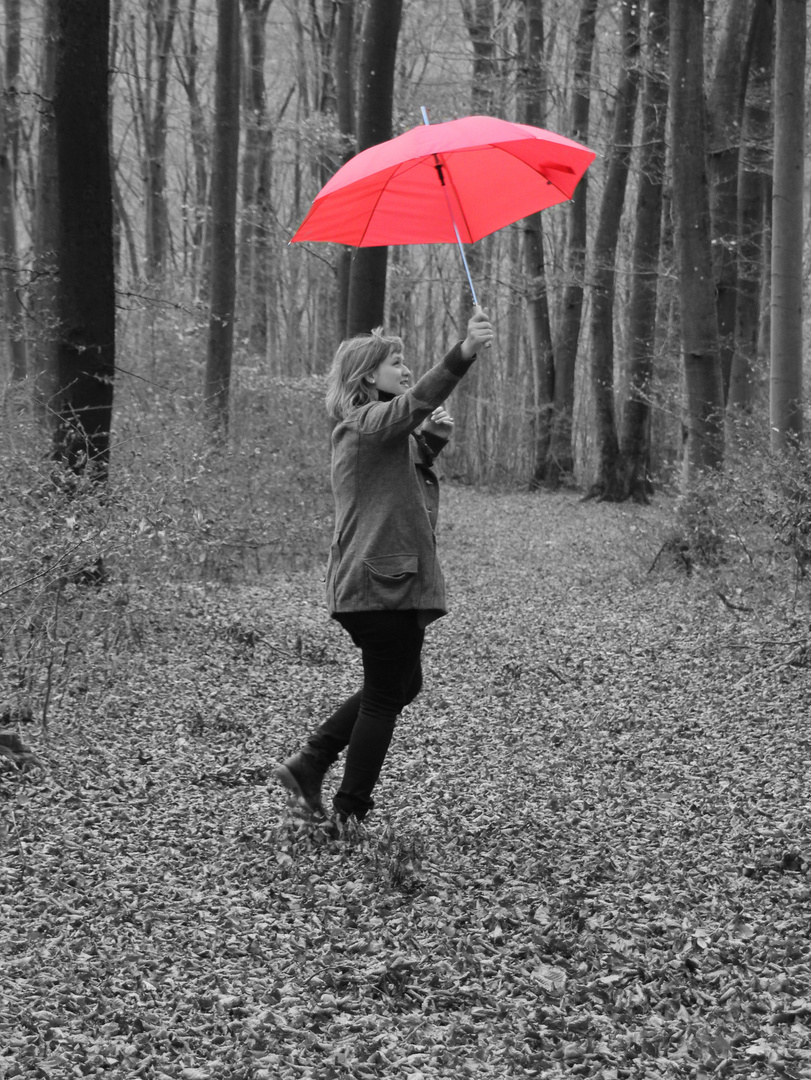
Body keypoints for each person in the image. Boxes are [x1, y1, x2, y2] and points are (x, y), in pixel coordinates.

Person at [274, 306, 493, 823]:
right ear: (369, 375)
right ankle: (349, 812)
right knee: (382, 694)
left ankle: (312, 761)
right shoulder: (364, 422)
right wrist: (464, 352)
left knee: (401, 685)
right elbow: (415, 402)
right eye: (396, 361)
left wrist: (431, 441)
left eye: (405, 361)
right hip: (380, 583)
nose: (406, 369)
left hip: (383, 581)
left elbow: (398, 481)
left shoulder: (378, 432)